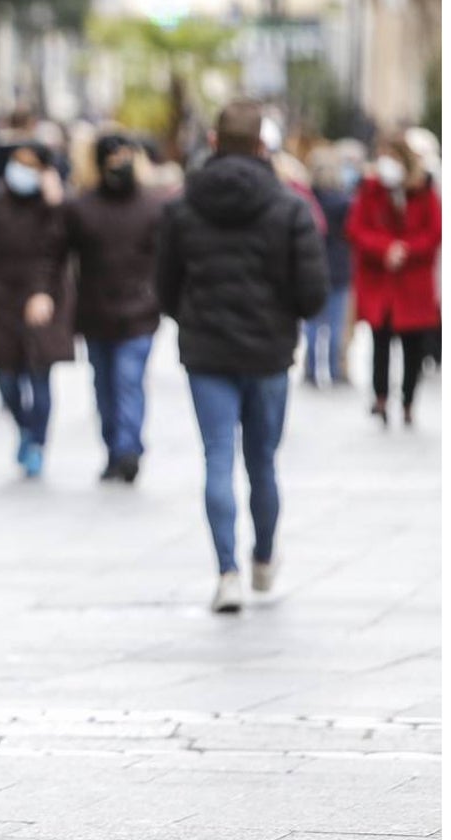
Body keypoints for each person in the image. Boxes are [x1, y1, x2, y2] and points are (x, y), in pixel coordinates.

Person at [156, 98, 328, 614]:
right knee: (262, 463)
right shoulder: (290, 206)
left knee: (216, 458)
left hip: (207, 351)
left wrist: (192, 316)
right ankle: (263, 558)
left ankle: (226, 573)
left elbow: (164, 287)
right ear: (262, 145)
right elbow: (314, 293)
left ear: (213, 143)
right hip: (270, 353)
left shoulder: (182, 207)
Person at [0, 145, 73, 479]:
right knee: (6, 378)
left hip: (41, 301)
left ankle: (38, 442)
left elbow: (62, 248)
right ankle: (25, 428)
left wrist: (57, 203)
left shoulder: (50, 205)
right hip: (0, 300)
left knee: (39, 376)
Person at [64, 132, 164, 483]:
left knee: (128, 381)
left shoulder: (152, 207)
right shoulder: (81, 208)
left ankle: (128, 449)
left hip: (139, 313)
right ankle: (114, 449)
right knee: (105, 387)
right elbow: (59, 252)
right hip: (97, 313)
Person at [346, 133, 442, 427]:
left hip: (412, 283)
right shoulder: (371, 190)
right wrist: (385, 248)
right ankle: (381, 397)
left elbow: (434, 232)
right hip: (382, 281)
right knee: (380, 343)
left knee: (414, 348)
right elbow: (356, 228)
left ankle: (409, 400)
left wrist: (407, 250)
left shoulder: (424, 191)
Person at [303, 148, 354, 387]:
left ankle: (312, 369)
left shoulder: (306, 201)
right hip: (340, 268)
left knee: (313, 324)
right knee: (335, 325)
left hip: (312, 267)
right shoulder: (346, 203)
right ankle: (334, 370)